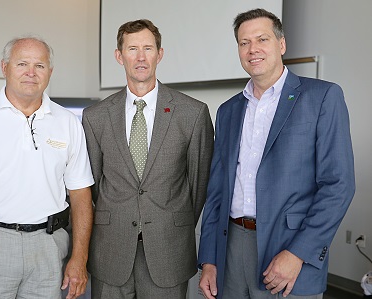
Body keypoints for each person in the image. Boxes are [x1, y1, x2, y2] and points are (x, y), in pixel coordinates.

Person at [198, 8, 355, 299]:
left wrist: (298, 253)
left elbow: (339, 185)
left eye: (262, 39)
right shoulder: (228, 111)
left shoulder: (322, 97)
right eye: (244, 43)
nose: (252, 49)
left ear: (281, 45)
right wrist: (209, 259)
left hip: (288, 250)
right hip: (231, 248)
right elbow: (217, 191)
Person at [0, 36, 95, 299]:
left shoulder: (68, 123)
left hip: (49, 245)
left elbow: (81, 195)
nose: (31, 73)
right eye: (22, 64)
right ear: (4, 67)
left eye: (40, 66)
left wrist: (79, 258)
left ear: (50, 72)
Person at [82, 19, 214, 298]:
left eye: (148, 48)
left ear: (160, 54)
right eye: (132, 49)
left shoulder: (192, 113)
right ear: (119, 56)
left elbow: (199, 185)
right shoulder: (95, 117)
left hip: (169, 249)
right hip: (110, 249)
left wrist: (170, 220)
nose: (141, 57)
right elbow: (91, 184)